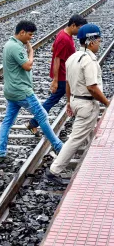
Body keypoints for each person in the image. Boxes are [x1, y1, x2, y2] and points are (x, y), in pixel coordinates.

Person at [46, 24, 110, 184]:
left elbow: (68, 83)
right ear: (91, 41)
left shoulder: (72, 57)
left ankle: (93, 163)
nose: (99, 44)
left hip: (76, 100)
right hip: (86, 104)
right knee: (75, 138)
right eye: (98, 41)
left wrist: (69, 102)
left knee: (90, 136)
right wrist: (108, 104)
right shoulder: (88, 61)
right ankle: (54, 171)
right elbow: (92, 88)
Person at [0, 21, 63, 164]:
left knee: (8, 121)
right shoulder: (15, 47)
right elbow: (27, 66)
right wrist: (31, 52)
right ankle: (58, 146)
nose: (31, 38)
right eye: (30, 35)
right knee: (42, 115)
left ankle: (0, 152)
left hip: (11, 90)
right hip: (22, 91)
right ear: (22, 33)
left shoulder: (9, 44)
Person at [26, 15, 87, 136]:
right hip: (62, 76)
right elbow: (57, 59)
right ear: (73, 25)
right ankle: (33, 122)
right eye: (80, 28)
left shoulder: (64, 34)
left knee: (55, 99)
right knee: (53, 99)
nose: (81, 31)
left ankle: (33, 122)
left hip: (65, 74)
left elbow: (53, 49)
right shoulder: (64, 38)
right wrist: (55, 80)